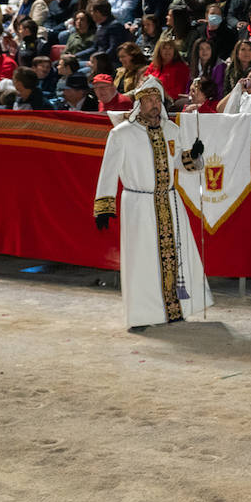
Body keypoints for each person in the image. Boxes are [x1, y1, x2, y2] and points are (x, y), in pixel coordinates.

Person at [93, 77, 212, 331]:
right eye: (148, 99)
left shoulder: (172, 130)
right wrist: (104, 206)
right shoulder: (121, 134)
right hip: (139, 204)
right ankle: (141, 314)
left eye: (157, 99)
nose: (154, 104)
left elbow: (182, 163)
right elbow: (108, 171)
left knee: (176, 256)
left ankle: (176, 309)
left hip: (170, 202)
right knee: (142, 259)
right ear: (138, 102)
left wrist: (195, 155)